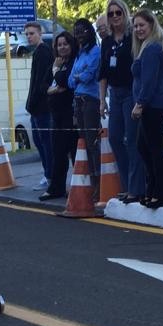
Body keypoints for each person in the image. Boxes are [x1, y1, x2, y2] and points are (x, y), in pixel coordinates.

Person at [100, 0, 146, 203]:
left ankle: (136, 188)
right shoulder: (107, 41)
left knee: (132, 140)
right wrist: (102, 100)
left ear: (125, 13)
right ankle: (128, 185)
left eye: (118, 12)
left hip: (131, 92)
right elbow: (103, 73)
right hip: (115, 93)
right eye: (111, 14)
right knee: (114, 138)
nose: (115, 16)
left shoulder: (133, 37)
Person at [130, 9, 163, 208]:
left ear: (151, 25)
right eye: (136, 26)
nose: (138, 29)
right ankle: (152, 189)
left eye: (142, 25)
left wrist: (140, 104)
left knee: (154, 149)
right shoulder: (147, 47)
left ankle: (162, 193)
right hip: (152, 104)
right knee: (144, 147)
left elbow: (149, 81)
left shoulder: (153, 48)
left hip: (153, 105)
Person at [69, 18, 103, 201]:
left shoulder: (96, 52)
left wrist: (78, 76)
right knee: (82, 142)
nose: (79, 35)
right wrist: (78, 76)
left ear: (90, 32)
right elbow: (70, 80)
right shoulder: (79, 54)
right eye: (76, 31)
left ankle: (99, 182)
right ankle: (89, 181)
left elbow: (89, 76)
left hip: (90, 100)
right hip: (78, 101)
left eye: (83, 31)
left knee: (92, 143)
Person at [40, 30, 77, 202]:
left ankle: (80, 187)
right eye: (59, 44)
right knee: (58, 152)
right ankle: (56, 188)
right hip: (56, 114)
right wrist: (53, 87)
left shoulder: (72, 63)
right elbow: (45, 85)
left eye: (65, 44)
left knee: (75, 152)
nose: (62, 47)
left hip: (71, 113)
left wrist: (57, 73)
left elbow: (65, 82)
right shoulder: (56, 63)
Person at [24, 21, 55, 192]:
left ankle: (50, 176)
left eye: (32, 33)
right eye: (27, 34)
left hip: (42, 107)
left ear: (40, 34)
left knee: (45, 143)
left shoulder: (43, 52)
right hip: (36, 107)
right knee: (39, 141)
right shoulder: (38, 53)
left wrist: (34, 101)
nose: (29, 36)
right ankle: (47, 174)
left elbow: (41, 82)